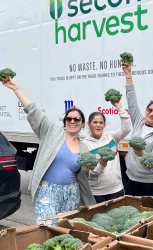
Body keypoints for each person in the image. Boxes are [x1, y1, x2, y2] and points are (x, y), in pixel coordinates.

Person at [1, 77, 95, 224]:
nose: (72, 121)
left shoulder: (84, 148)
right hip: (47, 191)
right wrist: (16, 89)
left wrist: (94, 165)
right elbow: (33, 111)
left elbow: (83, 176)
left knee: (65, 230)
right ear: (64, 122)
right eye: (68, 119)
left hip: (71, 193)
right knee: (47, 227)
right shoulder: (51, 132)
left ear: (82, 124)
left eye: (77, 119)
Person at [122, 63, 153, 196]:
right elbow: (131, 100)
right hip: (131, 178)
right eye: (150, 110)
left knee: (149, 215)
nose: (152, 113)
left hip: (150, 182)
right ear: (146, 110)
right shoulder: (138, 122)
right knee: (131, 213)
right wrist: (128, 75)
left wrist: (141, 153)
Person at [83, 99, 131, 203]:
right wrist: (102, 163)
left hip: (116, 190)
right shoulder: (84, 144)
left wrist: (119, 107)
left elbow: (127, 128)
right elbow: (91, 173)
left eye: (101, 122)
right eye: (95, 122)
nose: (98, 125)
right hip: (97, 193)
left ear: (104, 124)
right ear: (89, 124)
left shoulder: (111, 137)